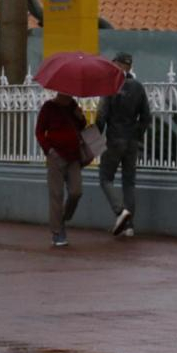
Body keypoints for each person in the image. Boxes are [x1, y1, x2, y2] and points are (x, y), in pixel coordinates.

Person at [96, 52, 151, 237]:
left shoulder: (110, 86)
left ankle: (121, 212)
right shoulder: (138, 87)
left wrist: (94, 139)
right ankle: (129, 227)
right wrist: (137, 135)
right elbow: (146, 117)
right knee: (129, 183)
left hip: (114, 139)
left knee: (105, 178)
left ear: (118, 65)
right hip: (131, 141)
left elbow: (101, 116)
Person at [35, 92, 87, 247]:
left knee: (76, 192)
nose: (69, 94)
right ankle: (57, 232)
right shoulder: (48, 107)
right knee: (56, 194)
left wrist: (80, 117)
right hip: (56, 156)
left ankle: (63, 217)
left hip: (74, 156)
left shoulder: (73, 106)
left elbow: (82, 126)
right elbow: (39, 131)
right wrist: (48, 150)